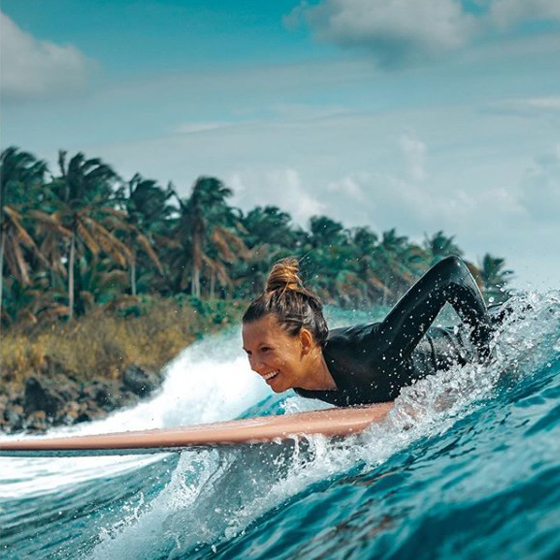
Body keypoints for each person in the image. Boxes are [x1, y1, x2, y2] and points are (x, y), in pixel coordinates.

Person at [242, 255, 496, 407]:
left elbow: (452, 274)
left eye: (265, 350)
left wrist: (488, 357)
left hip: (505, 329)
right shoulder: (301, 381)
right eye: (249, 353)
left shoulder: (371, 353)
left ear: (305, 342)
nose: (255, 365)